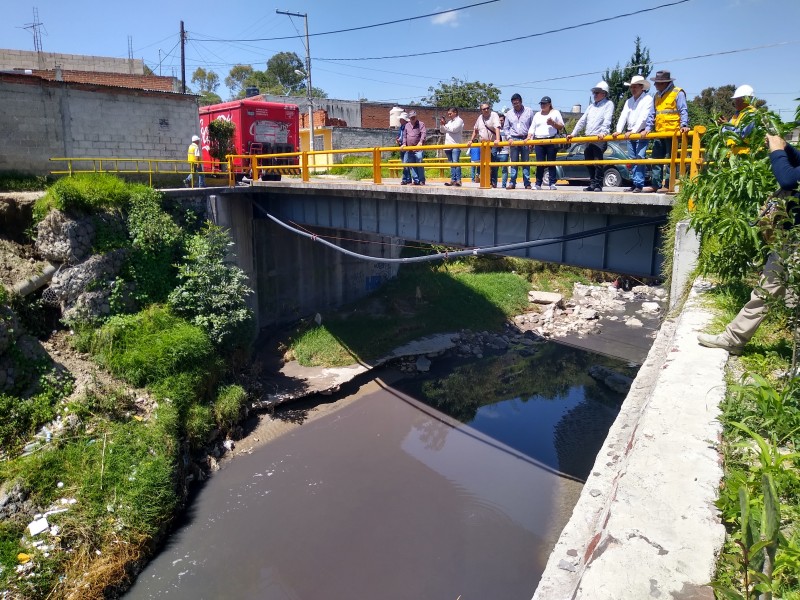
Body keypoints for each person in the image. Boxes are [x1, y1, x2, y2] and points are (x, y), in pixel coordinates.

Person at [698, 133, 800, 355]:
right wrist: (786, 148)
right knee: (766, 289)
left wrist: (777, 151)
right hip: (790, 236)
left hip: (795, 238)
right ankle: (733, 339)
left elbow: (789, 180)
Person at [642, 70, 689, 192]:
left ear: (664, 83)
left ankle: (669, 185)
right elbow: (652, 114)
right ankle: (655, 184)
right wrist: (648, 128)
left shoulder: (678, 93)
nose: (655, 85)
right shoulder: (657, 96)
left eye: (657, 83)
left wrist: (684, 124)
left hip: (672, 133)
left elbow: (683, 110)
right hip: (659, 132)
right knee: (657, 159)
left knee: (670, 160)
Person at [567, 81, 614, 192]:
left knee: (597, 161)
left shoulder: (608, 104)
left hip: (599, 138)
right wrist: (574, 133)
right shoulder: (591, 106)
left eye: (597, 92)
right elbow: (582, 120)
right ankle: (592, 182)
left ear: (604, 93)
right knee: (588, 160)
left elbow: (607, 120)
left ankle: (598, 184)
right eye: (594, 93)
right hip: (589, 137)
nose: (595, 95)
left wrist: (604, 132)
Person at [612, 75, 654, 193]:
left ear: (642, 87)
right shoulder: (629, 101)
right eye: (632, 87)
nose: (633, 89)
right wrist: (619, 130)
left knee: (639, 158)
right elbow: (623, 116)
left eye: (635, 87)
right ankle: (635, 183)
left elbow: (644, 117)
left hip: (640, 132)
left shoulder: (647, 99)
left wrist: (633, 131)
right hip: (631, 132)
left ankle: (639, 184)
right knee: (632, 159)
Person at [527, 96, 564, 190]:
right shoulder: (537, 115)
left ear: (549, 104)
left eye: (544, 104)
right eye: (541, 104)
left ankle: (552, 183)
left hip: (551, 140)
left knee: (551, 162)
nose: (542, 105)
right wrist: (529, 137)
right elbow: (532, 127)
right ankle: (538, 183)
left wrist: (553, 123)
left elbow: (561, 126)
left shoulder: (555, 112)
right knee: (540, 163)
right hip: (539, 140)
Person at [502, 93, 535, 189]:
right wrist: (509, 138)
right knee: (514, 162)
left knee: (525, 162)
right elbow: (506, 128)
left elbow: (533, 126)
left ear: (521, 102)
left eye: (517, 103)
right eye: (514, 103)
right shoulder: (509, 113)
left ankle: (527, 183)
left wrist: (531, 139)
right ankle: (512, 182)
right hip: (514, 139)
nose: (516, 105)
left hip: (526, 138)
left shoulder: (529, 111)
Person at [468, 102, 502, 187]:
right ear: (481, 110)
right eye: (484, 109)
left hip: (492, 143)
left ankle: (493, 182)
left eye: (488, 108)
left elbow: (497, 127)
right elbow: (475, 130)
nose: (486, 110)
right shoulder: (480, 118)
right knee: (484, 164)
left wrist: (497, 139)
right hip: (483, 144)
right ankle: (485, 181)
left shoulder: (494, 115)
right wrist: (471, 140)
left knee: (493, 163)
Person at [721, 84, 756, 155]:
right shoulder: (737, 114)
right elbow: (725, 131)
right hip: (734, 153)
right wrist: (725, 125)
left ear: (746, 100)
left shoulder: (751, 114)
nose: (735, 102)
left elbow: (741, 134)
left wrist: (727, 125)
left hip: (745, 154)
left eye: (738, 100)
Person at [401, 111, 427, 185]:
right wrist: (404, 144)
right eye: (411, 117)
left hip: (418, 149)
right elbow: (405, 136)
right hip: (409, 149)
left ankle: (421, 180)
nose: (413, 118)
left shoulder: (421, 124)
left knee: (419, 164)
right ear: (409, 118)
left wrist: (421, 142)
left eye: (414, 117)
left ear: (416, 117)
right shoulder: (407, 125)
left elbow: (423, 133)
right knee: (412, 165)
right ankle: (416, 180)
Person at [440, 107, 464, 186]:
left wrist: (445, 126)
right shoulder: (449, 122)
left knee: (455, 162)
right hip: (448, 145)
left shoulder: (459, 121)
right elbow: (442, 131)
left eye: (450, 114)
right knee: (451, 163)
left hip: (455, 145)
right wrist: (442, 124)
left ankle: (458, 180)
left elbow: (454, 129)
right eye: (448, 114)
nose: (449, 115)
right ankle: (453, 180)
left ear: (455, 113)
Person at [396, 111, 412, 185]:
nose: (400, 120)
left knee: (405, 163)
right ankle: (408, 179)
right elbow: (400, 136)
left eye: (401, 119)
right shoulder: (401, 127)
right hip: (401, 146)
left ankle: (405, 179)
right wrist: (398, 139)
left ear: (405, 120)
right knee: (404, 163)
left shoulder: (408, 126)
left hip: (407, 147)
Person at [497, 114, 510, 188]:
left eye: (501, 120)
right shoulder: (495, 129)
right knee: (494, 169)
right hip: (496, 152)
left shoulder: (507, 130)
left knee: (504, 170)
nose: (500, 122)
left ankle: (503, 185)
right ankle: (494, 184)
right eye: (499, 120)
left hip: (504, 152)